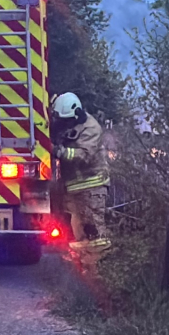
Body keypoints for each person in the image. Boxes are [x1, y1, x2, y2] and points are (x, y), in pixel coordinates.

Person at [51, 92, 110, 253]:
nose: (65, 124)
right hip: (73, 186)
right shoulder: (68, 124)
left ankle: (98, 266)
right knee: (79, 230)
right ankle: (85, 262)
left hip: (93, 184)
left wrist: (58, 151)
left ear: (76, 114)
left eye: (67, 120)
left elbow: (83, 155)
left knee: (96, 234)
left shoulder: (91, 128)